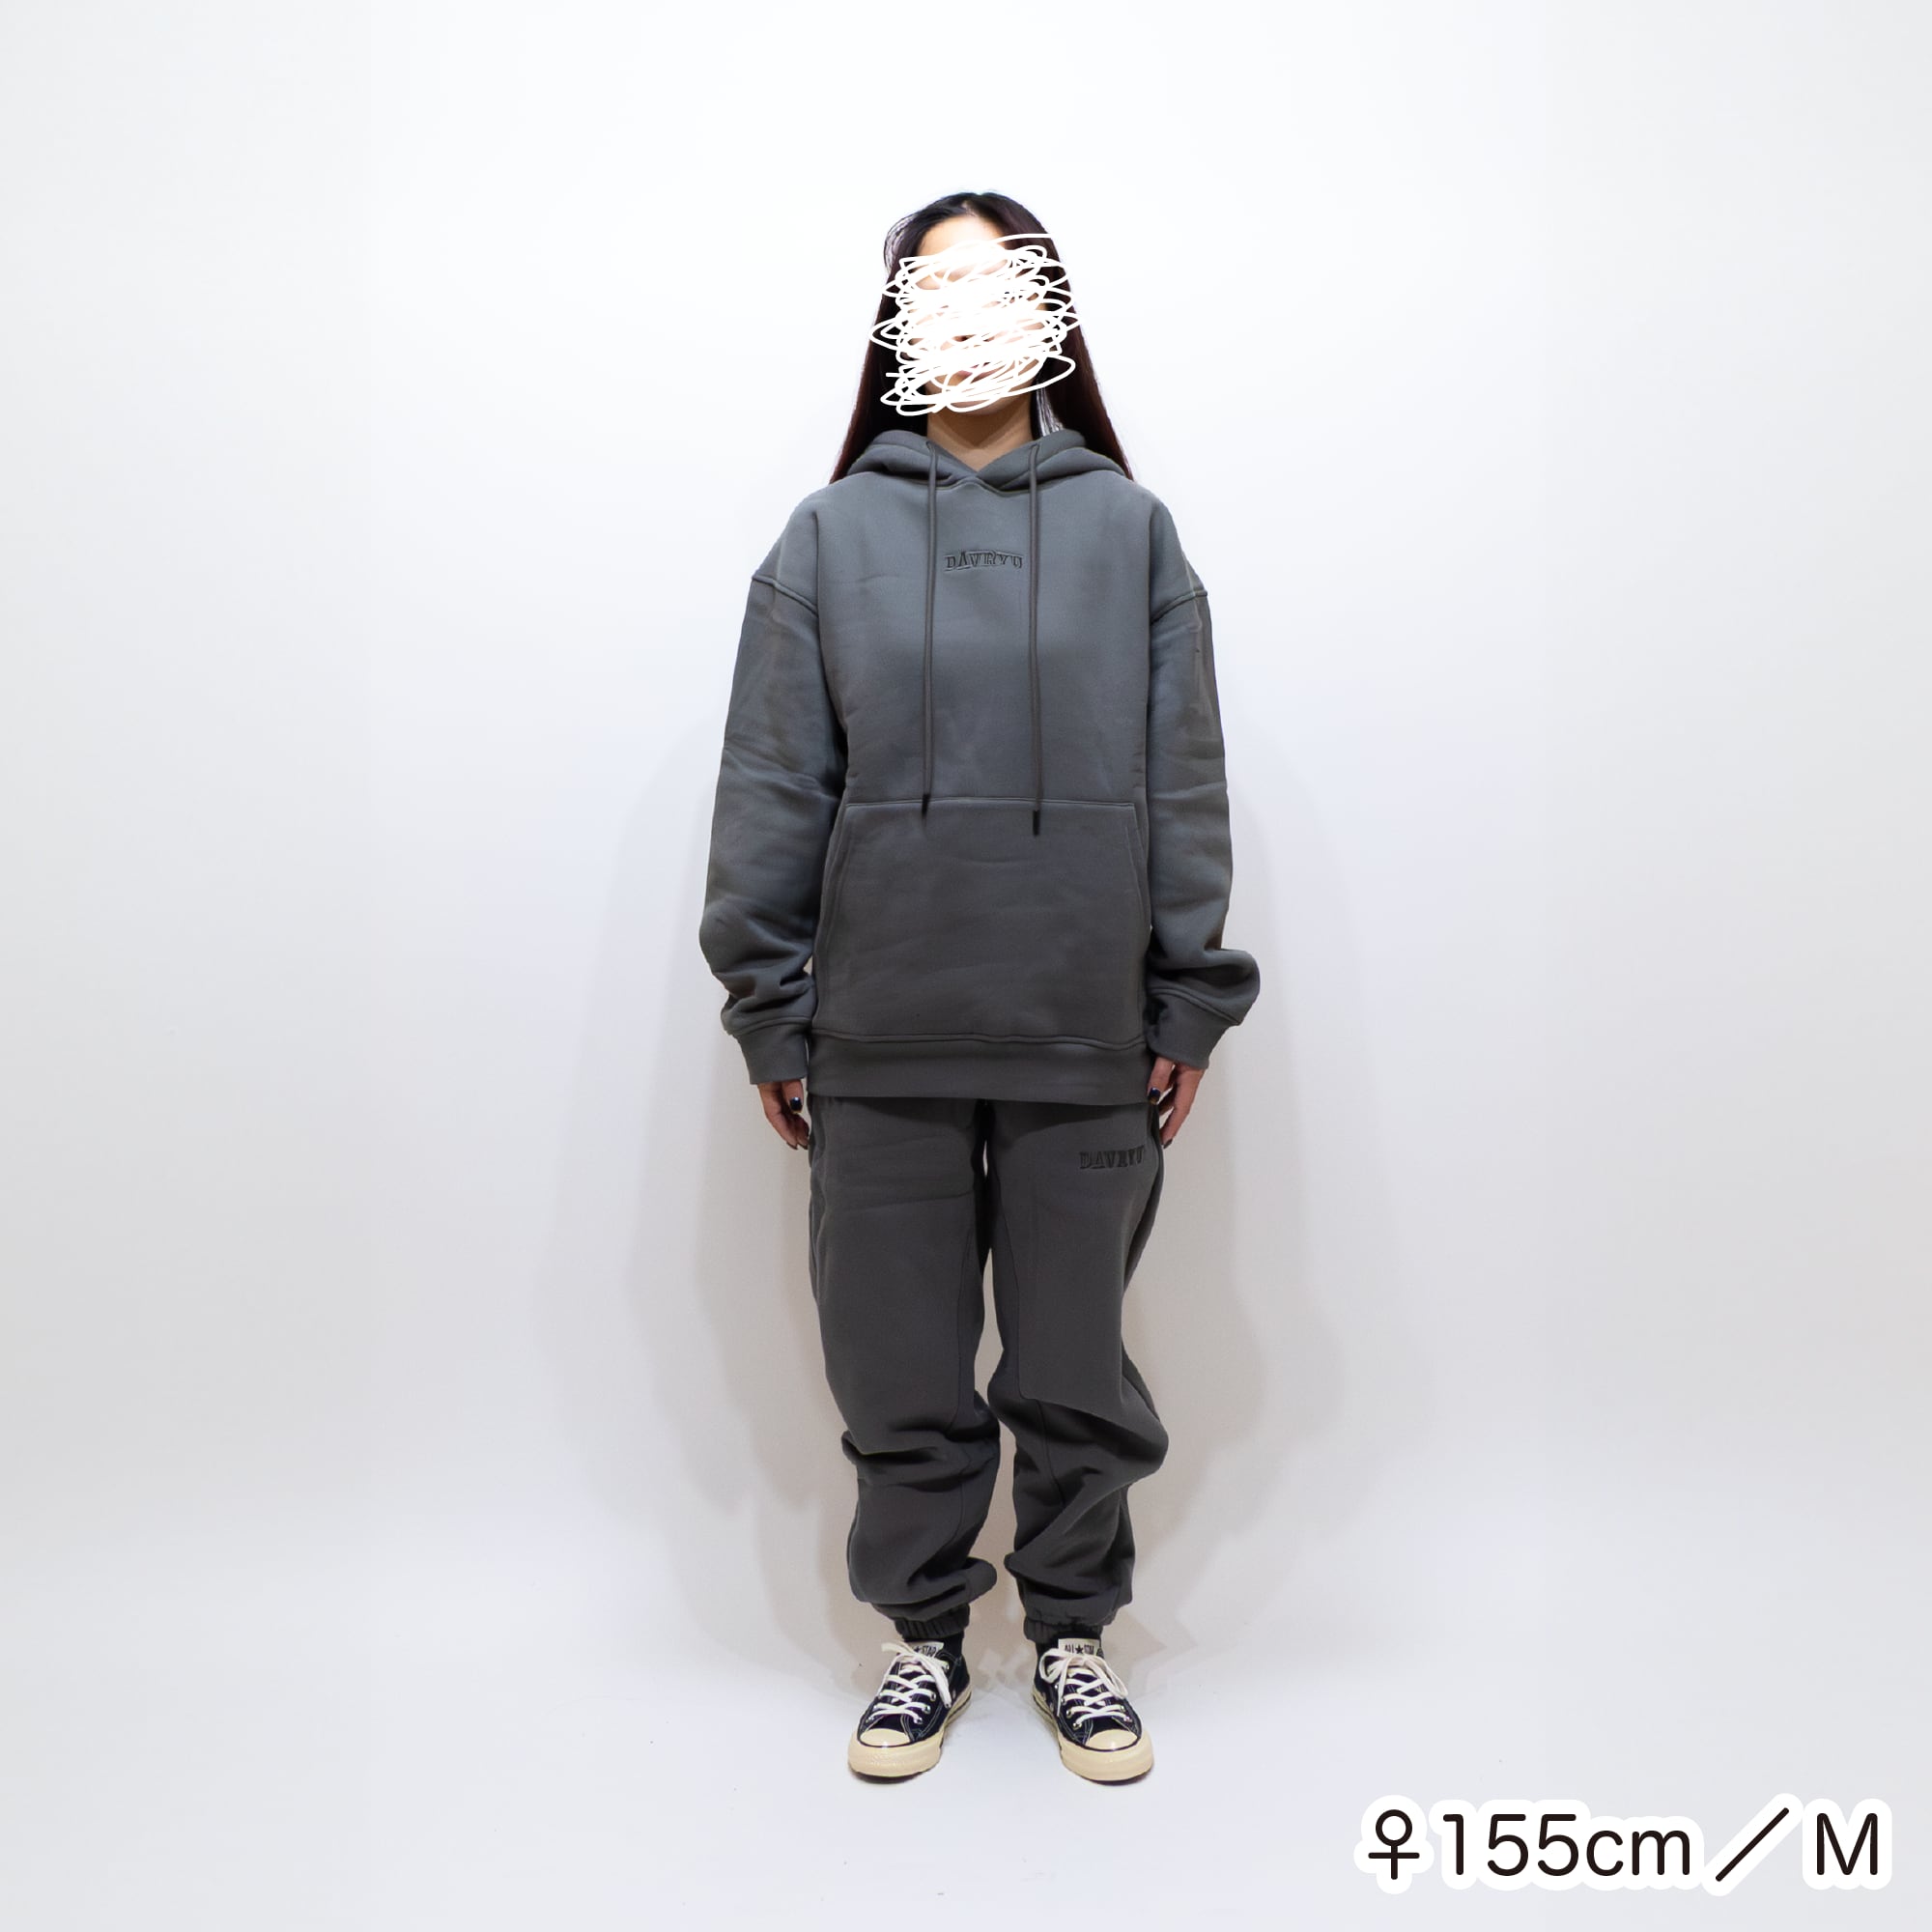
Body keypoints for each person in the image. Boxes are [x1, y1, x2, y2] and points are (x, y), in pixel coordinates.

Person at [697, 191, 1261, 1783]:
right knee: (896, 1364)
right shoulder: (827, 541)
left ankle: (1073, 1631)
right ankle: (925, 1639)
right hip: (881, 1035)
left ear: (1048, 319)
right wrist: (769, 1003)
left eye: (996, 291)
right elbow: (773, 785)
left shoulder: (1131, 535)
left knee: (1075, 1366)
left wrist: (1187, 999)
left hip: (1084, 1031)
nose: (966, 323)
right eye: (931, 295)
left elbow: (1184, 780)